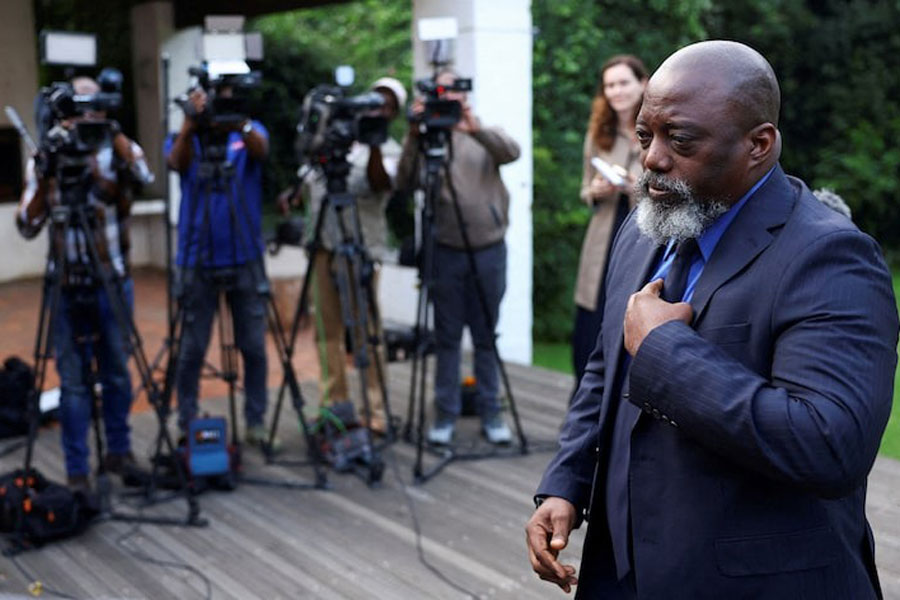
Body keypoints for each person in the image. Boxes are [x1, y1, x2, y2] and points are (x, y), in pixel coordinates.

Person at [525, 40, 898, 599]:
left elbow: (828, 444)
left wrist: (666, 351)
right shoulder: (644, 224)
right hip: (619, 573)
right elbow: (605, 368)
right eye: (646, 135)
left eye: (680, 139)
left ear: (758, 144)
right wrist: (565, 483)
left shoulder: (831, 257)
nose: (651, 158)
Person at [16, 76, 153, 492]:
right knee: (72, 380)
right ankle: (77, 471)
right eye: (78, 107)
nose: (85, 115)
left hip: (110, 277)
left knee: (115, 370)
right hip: (66, 282)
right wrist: (47, 173)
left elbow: (144, 177)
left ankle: (119, 451)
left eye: (93, 106)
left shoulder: (116, 147)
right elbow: (26, 224)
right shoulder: (49, 152)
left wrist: (106, 154)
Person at [397, 69, 521, 445]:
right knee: (447, 338)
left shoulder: (478, 132)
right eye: (440, 92)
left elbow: (511, 151)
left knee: (486, 337)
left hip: (488, 249)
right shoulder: (427, 141)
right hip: (445, 251)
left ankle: (491, 412)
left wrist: (473, 127)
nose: (447, 97)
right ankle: (445, 415)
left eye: (453, 90)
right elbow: (404, 182)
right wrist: (414, 135)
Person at [280, 77, 407, 434]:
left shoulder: (388, 148)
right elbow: (310, 175)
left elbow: (382, 183)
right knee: (328, 331)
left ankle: (376, 411)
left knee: (367, 333)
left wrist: (375, 143)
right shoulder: (335, 139)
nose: (378, 108)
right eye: (374, 100)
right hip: (323, 244)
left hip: (360, 249)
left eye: (387, 105)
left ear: (393, 113)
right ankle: (334, 404)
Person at [165, 84, 272, 447]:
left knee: (254, 346)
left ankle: (256, 421)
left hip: (245, 256)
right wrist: (190, 125)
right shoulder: (187, 135)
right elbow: (174, 163)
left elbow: (262, 149)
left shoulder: (250, 130)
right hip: (197, 259)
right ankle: (187, 420)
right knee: (192, 348)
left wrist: (238, 124)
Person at [572, 56, 647, 387]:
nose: (616, 91)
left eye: (623, 83)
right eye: (610, 85)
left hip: (644, 237)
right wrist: (598, 189)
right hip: (603, 238)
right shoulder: (599, 133)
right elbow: (584, 189)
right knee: (591, 325)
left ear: (642, 84)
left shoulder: (657, 130)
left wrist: (635, 188)